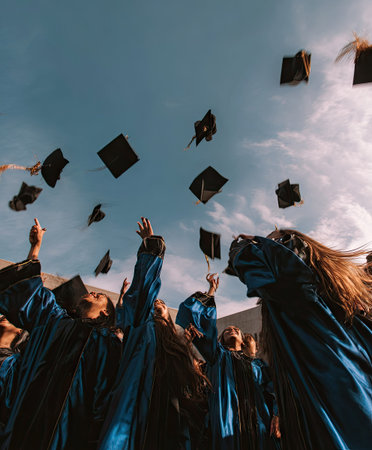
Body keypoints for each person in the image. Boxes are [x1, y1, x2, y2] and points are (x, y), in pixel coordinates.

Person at [225, 230, 372, 450]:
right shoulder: (324, 302)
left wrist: (240, 246)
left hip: (334, 391)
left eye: (276, 242)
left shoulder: (301, 294)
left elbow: (274, 265)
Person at [0, 218, 122, 449]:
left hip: (68, 435)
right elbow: (30, 294)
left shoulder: (107, 343)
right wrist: (35, 248)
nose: (94, 291)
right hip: (24, 424)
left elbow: (103, 398)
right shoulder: (55, 321)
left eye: (100, 296)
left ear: (106, 312)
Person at [99, 218, 208, 450]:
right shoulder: (143, 323)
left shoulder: (178, 336)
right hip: (139, 392)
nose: (157, 302)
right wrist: (150, 246)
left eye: (162, 303)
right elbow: (142, 292)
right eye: (155, 301)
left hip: (172, 401)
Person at [176, 273, 280, 450]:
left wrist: (278, 415)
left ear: (242, 339)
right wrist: (211, 291)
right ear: (220, 339)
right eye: (227, 330)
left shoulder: (258, 365)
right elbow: (199, 321)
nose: (232, 329)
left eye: (236, 329)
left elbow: (276, 390)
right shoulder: (217, 357)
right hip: (225, 422)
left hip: (259, 424)